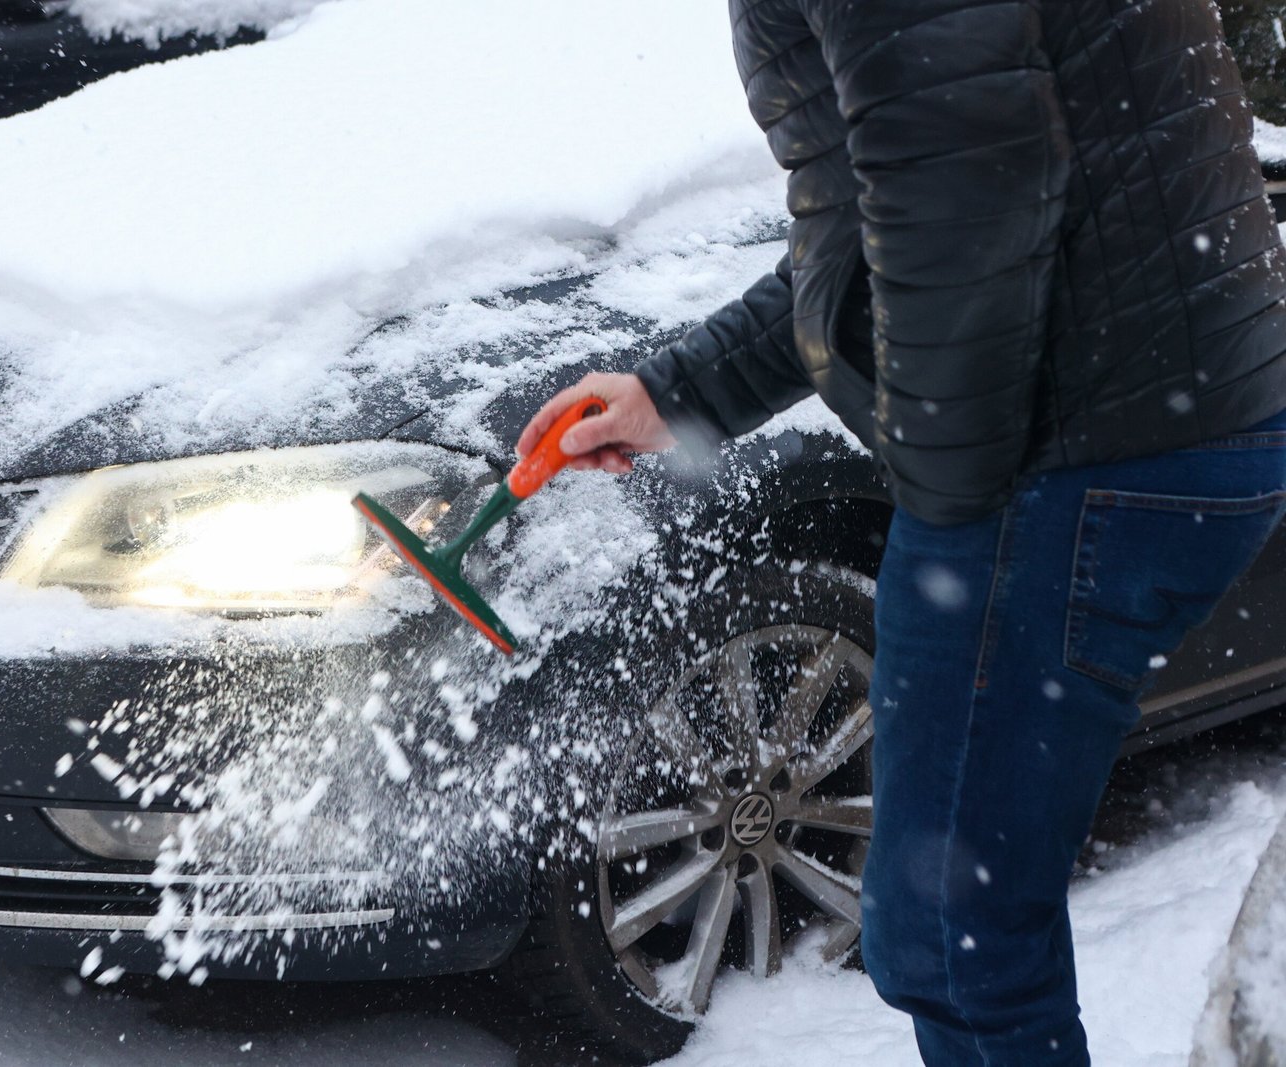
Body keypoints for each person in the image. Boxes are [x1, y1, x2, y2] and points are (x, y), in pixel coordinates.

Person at [517, 1, 1286, 1063]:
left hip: (1086, 455)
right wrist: (676, 390)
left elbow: (964, 206)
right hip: (1149, 420)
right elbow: (893, 220)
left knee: (949, 939)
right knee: (950, 931)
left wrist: (953, 507)